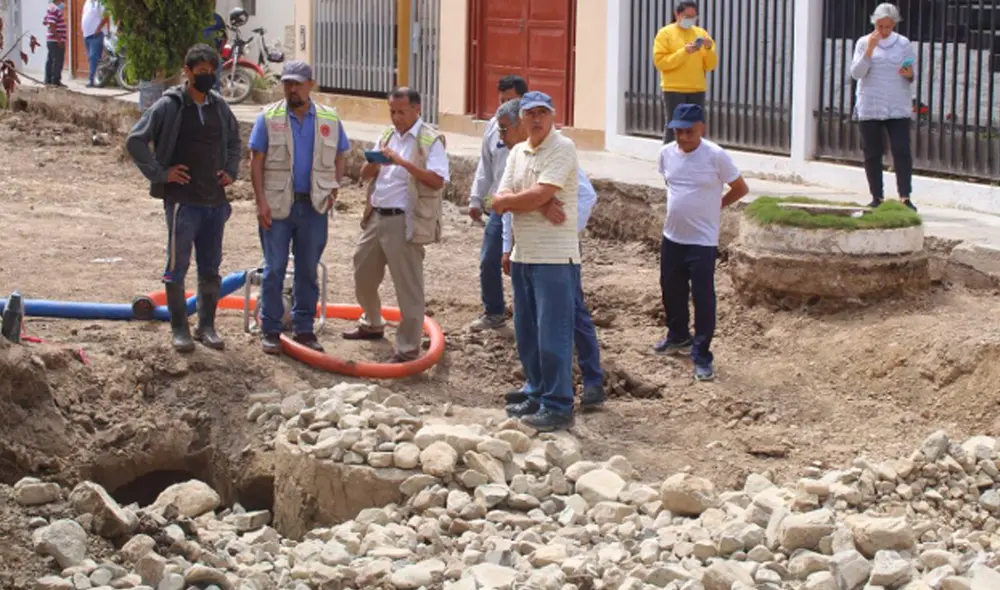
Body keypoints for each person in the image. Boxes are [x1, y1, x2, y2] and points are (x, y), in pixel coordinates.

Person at [125, 44, 242, 353]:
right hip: (183, 203)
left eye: (211, 72)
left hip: (214, 203)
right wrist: (161, 173)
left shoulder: (219, 107)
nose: (207, 77)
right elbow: (135, 141)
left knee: (211, 267)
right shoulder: (170, 106)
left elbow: (234, 140)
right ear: (188, 72)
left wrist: (231, 171)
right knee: (177, 266)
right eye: (200, 72)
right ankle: (180, 328)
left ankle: (206, 326)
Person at [492, 98, 606, 412]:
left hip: (556, 255)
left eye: (543, 113)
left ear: (553, 117)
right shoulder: (517, 153)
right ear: (522, 120)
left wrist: (532, 199)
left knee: (555, 330)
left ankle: (558, 404)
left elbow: (539, 192)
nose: (537, 119)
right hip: (523, 254)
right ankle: (536, 391)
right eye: (531, 114)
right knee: (528, 332)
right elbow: (498, 199)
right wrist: (535, 202)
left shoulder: (562, 147)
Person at [249, 61, 349, 354]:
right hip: (278, 206)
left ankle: (304, 329)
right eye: (287, 84)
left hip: (314, 207)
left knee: (307, 269)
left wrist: (334, 189)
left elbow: (341, 155)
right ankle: (270, 328)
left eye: (297, 84)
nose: (292, 89)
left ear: (310, 84)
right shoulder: (268, 117)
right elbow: (256, 161)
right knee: (274, 269)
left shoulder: (329, 119)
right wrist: (260, 202)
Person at [343, 87, 449, 363]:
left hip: (404, 220)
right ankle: (373, 322)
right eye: (392, 111)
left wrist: (401, 162)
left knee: (408, 287)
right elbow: (366, 175)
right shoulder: (387, 136)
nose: (396, 117)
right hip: (377, 216)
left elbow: (437, 180)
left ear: (417, 109)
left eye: (402, 112)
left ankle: (407, 349)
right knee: (362, 273)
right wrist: (373, 163)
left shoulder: (429, 139)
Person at [654, 103, 748, 382]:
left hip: (702, 241)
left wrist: (715, 206)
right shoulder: (665, 154)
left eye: (689, 132)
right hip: (672, 236)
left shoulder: (716, 156)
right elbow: (672, 186)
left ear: (702, 129)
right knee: (671, 289)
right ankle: (678, 336)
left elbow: (741, 188)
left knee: (703, 297)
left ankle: (702, 353)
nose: (683, 137)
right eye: (679, 131)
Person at [468, 75, 529, 331]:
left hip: (527, 208)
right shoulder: (494, 127)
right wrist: (475, 198)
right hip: (500, 206)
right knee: (489, 259)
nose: (503, 106)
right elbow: (486, 165)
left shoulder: (533, 131)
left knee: (524, 265)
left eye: (510, 100)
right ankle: (494, 310)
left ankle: (529, 315)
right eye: (501, 100)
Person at [850, 3, 917, 211]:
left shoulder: (903, 43)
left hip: (896, 104)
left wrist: (907, 73)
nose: (884, 31)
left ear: (894, 25)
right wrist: (869, 50)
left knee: (901, 150)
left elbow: (911, 73)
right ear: (875, 24)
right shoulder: (864, 42)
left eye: (888, 27)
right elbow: (856, 73)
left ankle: (904, 197)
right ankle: (876, 197)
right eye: (880, 26)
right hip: (871, 104)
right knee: (872, 151)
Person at [652, 0, 717, 144]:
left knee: (697, 127)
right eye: (687, 16)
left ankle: (696, 161)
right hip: (674, 88)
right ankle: (668, 160)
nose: (690, 20)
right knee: (674, 127)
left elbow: (711, 64)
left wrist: (708, 49)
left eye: (693, 17)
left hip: (696, 88)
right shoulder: (665, 34)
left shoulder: (700, 33)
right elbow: (660, 62)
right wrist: (684, 52)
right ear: (677, 14)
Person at [81, 0, 109, 87]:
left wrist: (98, 28)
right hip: (86, 35)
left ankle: (92, 80)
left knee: (94, 58)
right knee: (91, 58)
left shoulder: (100, 2)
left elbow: (106, 16)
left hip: (96, 35)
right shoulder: (87, 2)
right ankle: (97, 79)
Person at [42, 0, 68, 87]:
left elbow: (45, 21)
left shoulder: (51, 8)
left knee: (50, 59)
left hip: (51, 40)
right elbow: (51, 24)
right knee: (57, 61)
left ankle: (48, 80)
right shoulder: (54, 9)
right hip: (55, 40)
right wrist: (59, 39)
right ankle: (55, 81)